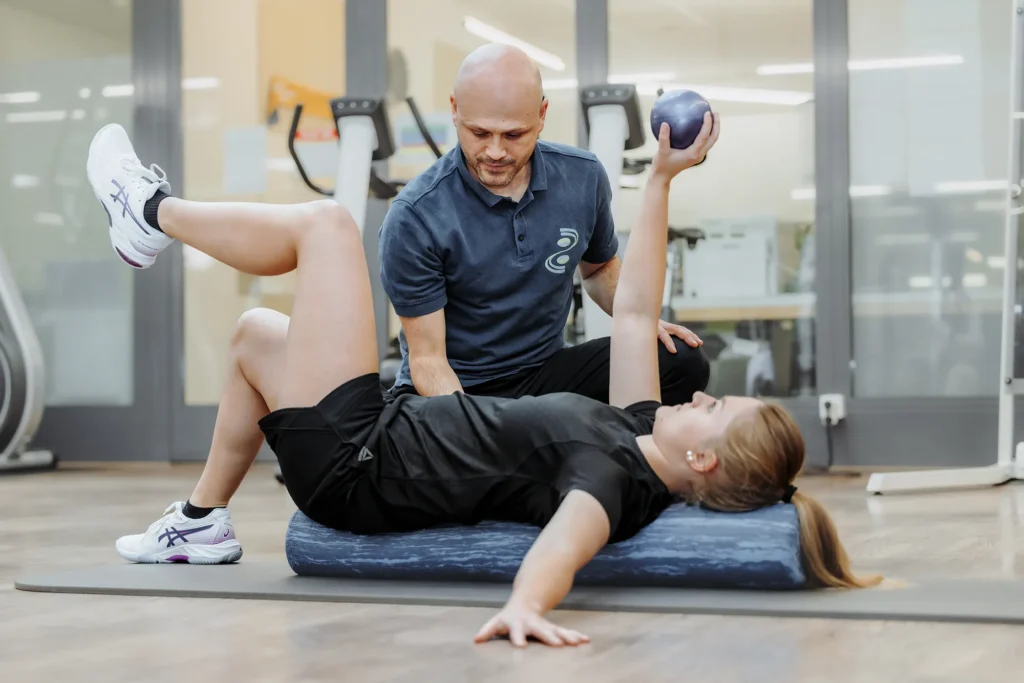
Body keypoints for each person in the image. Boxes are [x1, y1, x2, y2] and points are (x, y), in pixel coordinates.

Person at [90, 112, 879, 650]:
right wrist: (666, 178)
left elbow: (560, 552)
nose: (700, 394)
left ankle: (149, 209)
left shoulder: (610, 478)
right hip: (381, 433)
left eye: (714, 408)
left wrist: (526, 610)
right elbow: (634, 311)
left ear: (702, 460)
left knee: (328, 227)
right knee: (255, 335)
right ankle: (200, 522)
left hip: (357, 463)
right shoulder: (634, 426)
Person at [378, 43, 709, 405]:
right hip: (457, 387)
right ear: (455, 110)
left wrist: (638, 323)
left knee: (680, 361)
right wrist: (478, 429)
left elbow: (598, 270)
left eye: (514, 135)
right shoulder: (414, 214)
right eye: (480, 133)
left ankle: (600, 448)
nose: (495, 152)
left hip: (544, 371)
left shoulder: (582, 175)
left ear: (542, 114)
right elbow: (428, 361)